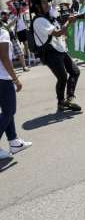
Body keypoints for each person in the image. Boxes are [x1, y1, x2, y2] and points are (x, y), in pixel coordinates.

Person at [30, 0, 81, 112]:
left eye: (47, 2)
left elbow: (59, 33)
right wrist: (69, 22)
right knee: (62, 77)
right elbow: (58, 33)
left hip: (60, 50)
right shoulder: (39, 21)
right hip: (50, 53)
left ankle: (70, 98)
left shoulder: (50, 18)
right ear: (37, 6)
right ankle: (61, 102)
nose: (47, 4)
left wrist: (68, 23)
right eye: (43, 2)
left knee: (75, 72)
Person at [0, 25, 32, 159]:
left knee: (7, 111)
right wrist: (15, 79)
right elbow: (4, 57)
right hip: (3, 78)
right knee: (9, 111)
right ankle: (14, 141)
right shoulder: (2, 32)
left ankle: (14, 141)